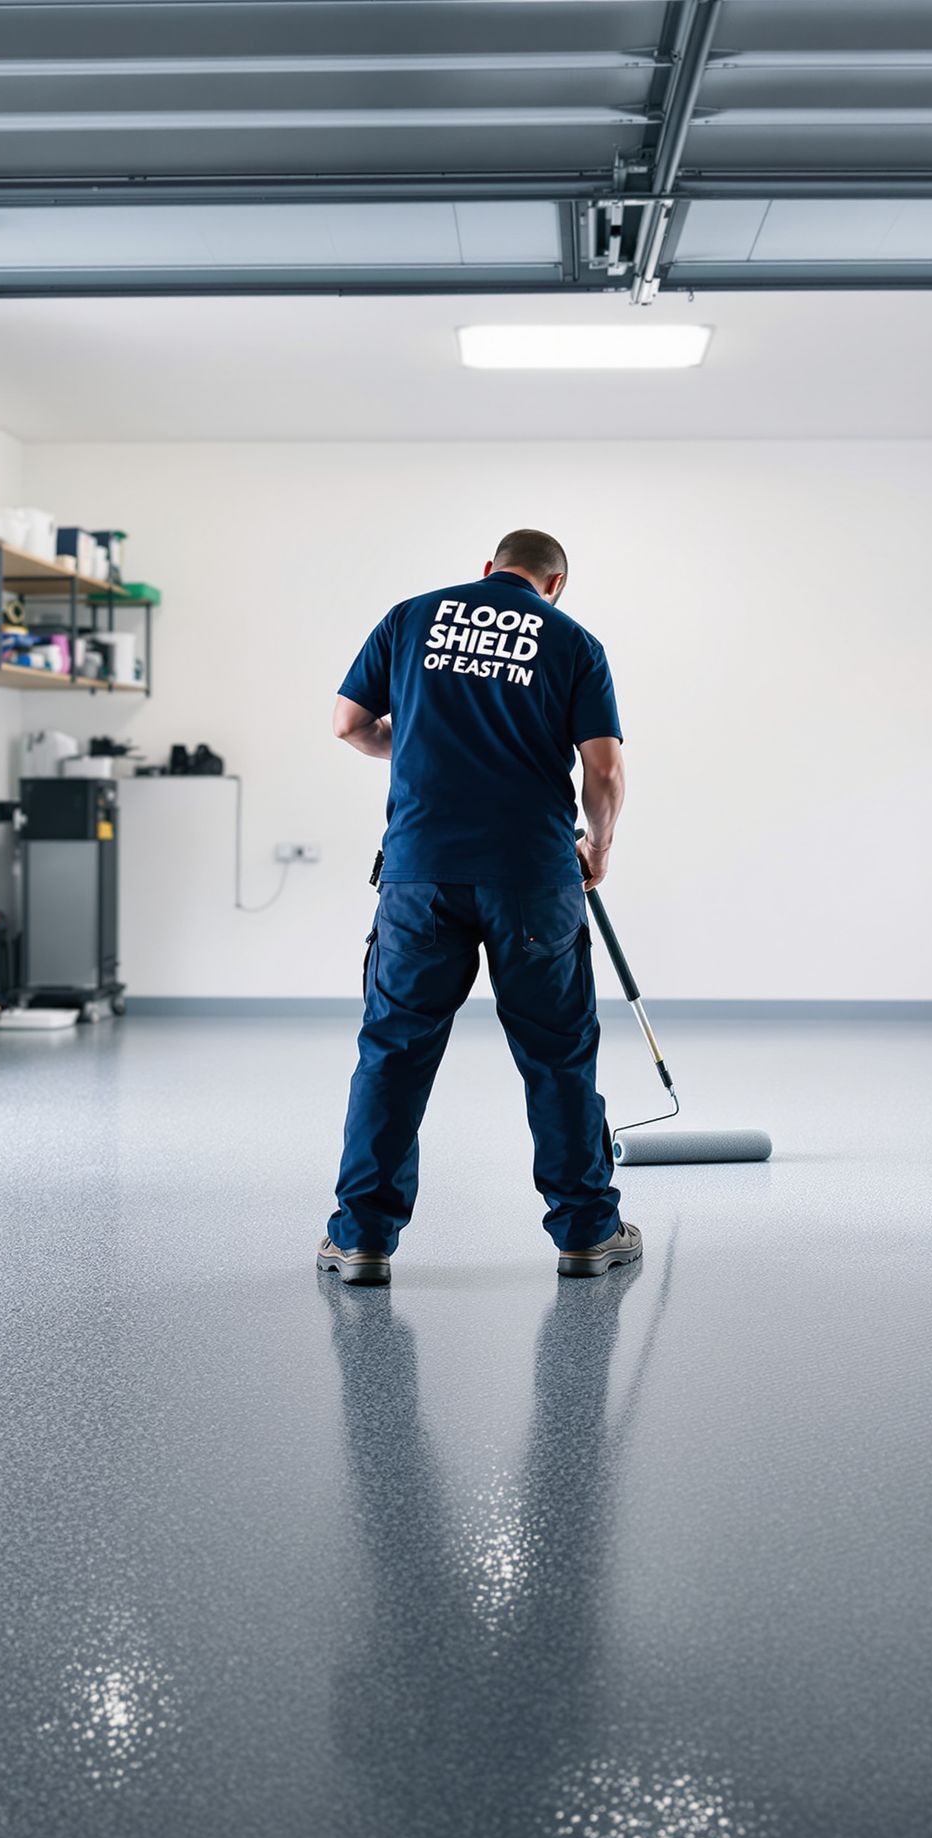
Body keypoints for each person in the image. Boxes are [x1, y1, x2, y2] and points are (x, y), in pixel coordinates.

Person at [318, 527, 641, 1285]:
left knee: (394, 1052)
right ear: (554, 585)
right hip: (532, 875)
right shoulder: (572, 640)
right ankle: (588, 1234)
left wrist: (433, 744)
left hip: (421, 872)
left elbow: (348, 723)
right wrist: (600, 845)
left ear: (488, 569)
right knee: (557, 1054)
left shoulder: (410, 617)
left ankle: (362, 1240)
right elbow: (604, 769)